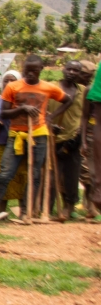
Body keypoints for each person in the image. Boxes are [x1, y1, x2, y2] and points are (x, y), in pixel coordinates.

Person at [0, 55, 72, 217]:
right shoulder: (13, 87)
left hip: (39, 135)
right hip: (16, 135)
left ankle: (26, 211)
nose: (31, 74)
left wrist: (51, 116)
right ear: (23, 69)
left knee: (34, 174)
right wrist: (22, 109)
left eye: (34, 71)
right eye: (27, 71)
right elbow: (4, 113)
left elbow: (67, 100)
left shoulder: (48, 87)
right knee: (5, 173)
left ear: (41, 69)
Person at [50, 61, 86, 219]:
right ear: (63, 70)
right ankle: (47, 207)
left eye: (76, 70)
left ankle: (69, 208)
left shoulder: (83, 91)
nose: (71, 72)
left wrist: (81, 137)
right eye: (69, 69)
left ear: (79, 74)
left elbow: (86, 115)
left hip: (73, 139)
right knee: (51, 176)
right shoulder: (51, 87)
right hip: (52, 138)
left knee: (72, 175)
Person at [0, 70, 26, 208]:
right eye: (6, 80)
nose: (9, 83)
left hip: (21, 143)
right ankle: (1, 208)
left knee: (21, 176)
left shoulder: (24, 100)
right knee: (2, 175)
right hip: (2, 141)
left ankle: (23, 208)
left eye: (12, 80)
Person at [78, 62, 98, 218]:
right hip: (93, 136)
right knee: (90, 173)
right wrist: (83, 140)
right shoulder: (90, 91)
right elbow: (85, 116)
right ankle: (91, 205)